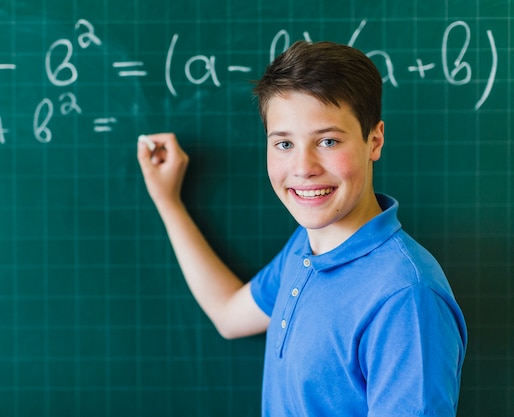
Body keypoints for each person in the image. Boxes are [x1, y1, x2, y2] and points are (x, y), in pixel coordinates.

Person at [137, 40, 467, 416]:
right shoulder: (305, 249)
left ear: (374, 140)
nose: (303, 167)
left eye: (327, 141)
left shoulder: (406, 296)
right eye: (283, 144)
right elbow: (229, 314)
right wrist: (168, 201)